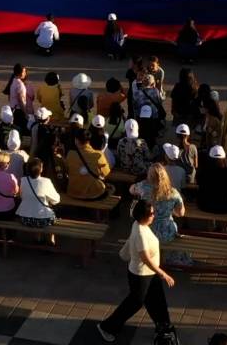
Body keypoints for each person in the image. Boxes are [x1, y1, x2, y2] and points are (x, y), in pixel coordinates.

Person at [96, 200, 174, 343]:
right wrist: (163, 274)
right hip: (141, 275)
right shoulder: (140, 233)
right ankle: (107, 327)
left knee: (157, 300)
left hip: (149, 273)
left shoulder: (138, 224)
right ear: (143, 216)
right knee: (135, 303)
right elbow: (145, 259)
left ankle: (164, 326)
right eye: (151, 214)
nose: (154, 215)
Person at [65, 127, 112, 200]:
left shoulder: (70, 154)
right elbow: (106, 173)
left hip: (74, 192)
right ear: (89, 140)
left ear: (76, 140)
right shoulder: (98, 155)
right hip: (94, 193)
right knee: (111, 188)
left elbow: (66, 170)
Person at [16, 156, 60, 228]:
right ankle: (50, 236)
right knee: (52, 217)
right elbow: (56, 200)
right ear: (41, 169)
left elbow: (22, 196)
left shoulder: (23, 180)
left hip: (24, 219)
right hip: (42, 219)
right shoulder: (46, 181)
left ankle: (37, 236)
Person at [196, 145, 227, 214]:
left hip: (205, 206)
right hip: (224, 208)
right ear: (224, 159)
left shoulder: (203, 172)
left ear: (209, 158)